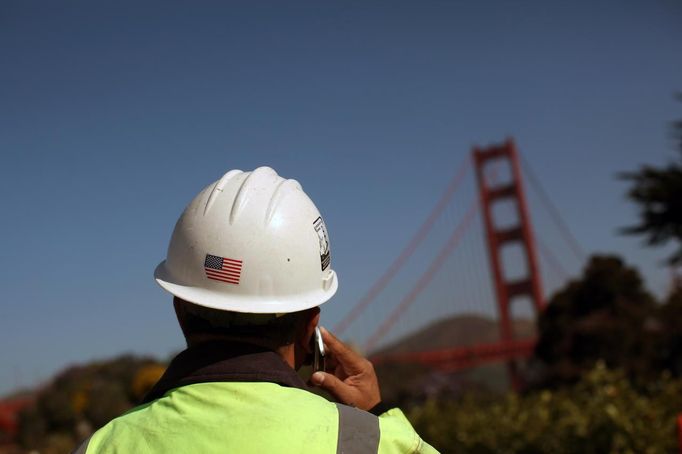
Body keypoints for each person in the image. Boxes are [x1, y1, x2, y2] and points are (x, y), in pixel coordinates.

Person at [74, 166, 438, 453]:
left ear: (180, 309)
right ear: (310, 324)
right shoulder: (368, 444)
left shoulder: (101, 446)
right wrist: (375, 416)